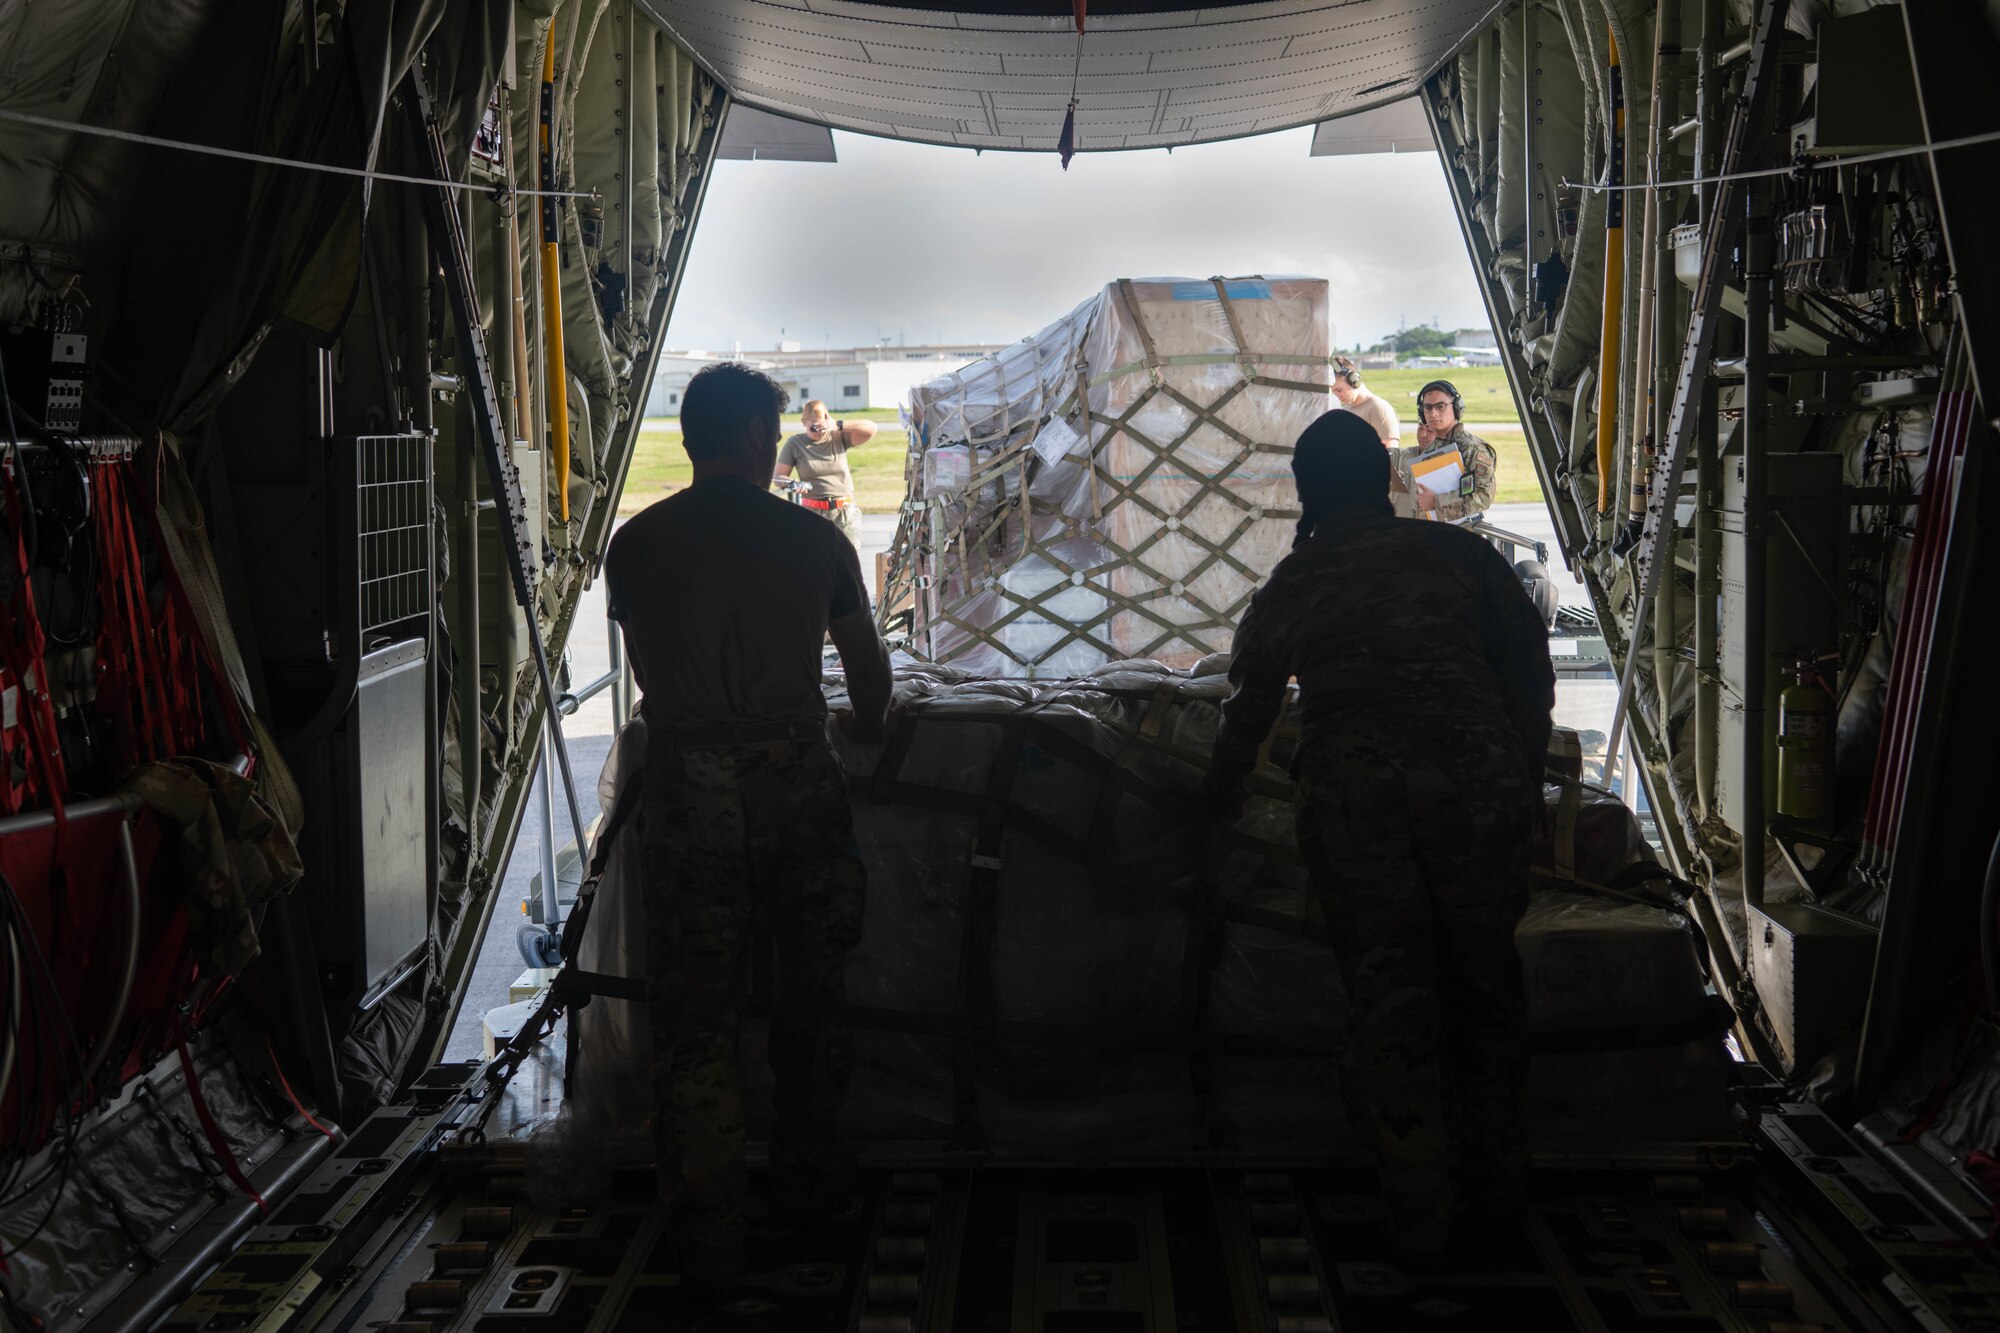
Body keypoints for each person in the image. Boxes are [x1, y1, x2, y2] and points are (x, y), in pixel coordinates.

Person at [1202, 410, 1553, 1271]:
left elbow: (1244, 712)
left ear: (1305, 492)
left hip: (1361, 803)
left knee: (1391, 991)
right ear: (1390, 479)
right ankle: (1502, 1196)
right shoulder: (1465, 558)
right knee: (1484, 983)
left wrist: (1210, 810)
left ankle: (1420, 1214)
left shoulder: (1298, 578)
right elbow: (1533, 674)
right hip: (1479, 790)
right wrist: (1517, 774)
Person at [603, 362, 893, 1292]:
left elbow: (649, 668)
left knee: (696, 1022)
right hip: (796, 783)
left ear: (692, 440)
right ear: (761, 441)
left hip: (686, 790)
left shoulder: (634, 547)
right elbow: (872, 683)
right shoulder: (813, 543)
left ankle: (709, 1238)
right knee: (810, 1004)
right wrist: (856, 725)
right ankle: (812, 1205)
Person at [775, 398, 878, 544]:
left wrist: (839, 425)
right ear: (804, 423)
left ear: (827, 419)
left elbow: (872, 428)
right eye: (814, 428)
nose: (819, 431)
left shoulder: (837, 437)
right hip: (812, 512)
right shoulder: (795, 444)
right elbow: (778, 478)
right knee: (815, 561)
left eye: (822, 425)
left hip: (843, 512)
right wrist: (792, 484)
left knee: (848, 562)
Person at [1410, 378, 1497, 523]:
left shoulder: (1472, 448)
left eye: (1440, 406)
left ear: (1456, 408)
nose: (1433, 413)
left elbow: (1483, 496)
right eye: (1428, 407)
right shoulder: (1432, 448)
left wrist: (1436, 502)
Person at [1332, 356, 1401, 447]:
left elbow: (1390, 454)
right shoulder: (1346, 409)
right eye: (1334, 392)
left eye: (1339, 390)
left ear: (1353, 380)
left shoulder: (1378, 408)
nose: (1337, 396)